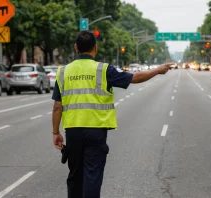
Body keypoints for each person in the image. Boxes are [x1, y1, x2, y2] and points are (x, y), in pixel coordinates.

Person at [51, 31, 172, 198]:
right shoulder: (103, 70)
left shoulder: (63, 72)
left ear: (75, 47)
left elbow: (57, 106)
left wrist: (55, 132)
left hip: (73, 132)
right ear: (95, 48)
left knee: (75, 176)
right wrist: (157, 70)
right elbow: (135, 78)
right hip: (96, 132)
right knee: (92, 175)